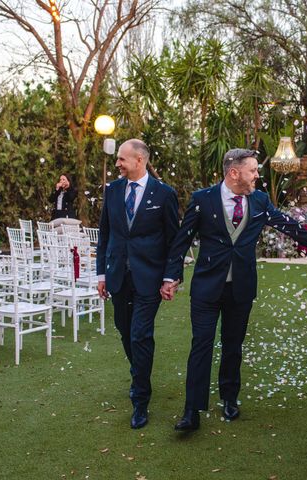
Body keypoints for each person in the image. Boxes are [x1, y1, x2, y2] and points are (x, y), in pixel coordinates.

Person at [161, 148, 307, 431]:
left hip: (242, 288)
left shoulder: (259, 200)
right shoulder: (203, 199)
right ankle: (192, 410)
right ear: (234, 173)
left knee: (233, 347)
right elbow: (182, 240)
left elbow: (286, 224)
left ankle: (230, 398)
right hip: (206, 289)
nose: (257, 175)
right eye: (253, 171)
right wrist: (170, 276)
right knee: (201, 346)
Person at [96, 139, 180, 429]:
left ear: (139, 160)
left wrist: (171, 276)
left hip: (149, 278)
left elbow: (174, 240)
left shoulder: (165, 193)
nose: (117, 163)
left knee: (140, 335)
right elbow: (104, 234)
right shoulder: (113, 190)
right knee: (124, 330)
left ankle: (140, 399)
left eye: (122, 159)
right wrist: (101, 274)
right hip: (118, 274)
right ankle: (140, 372)